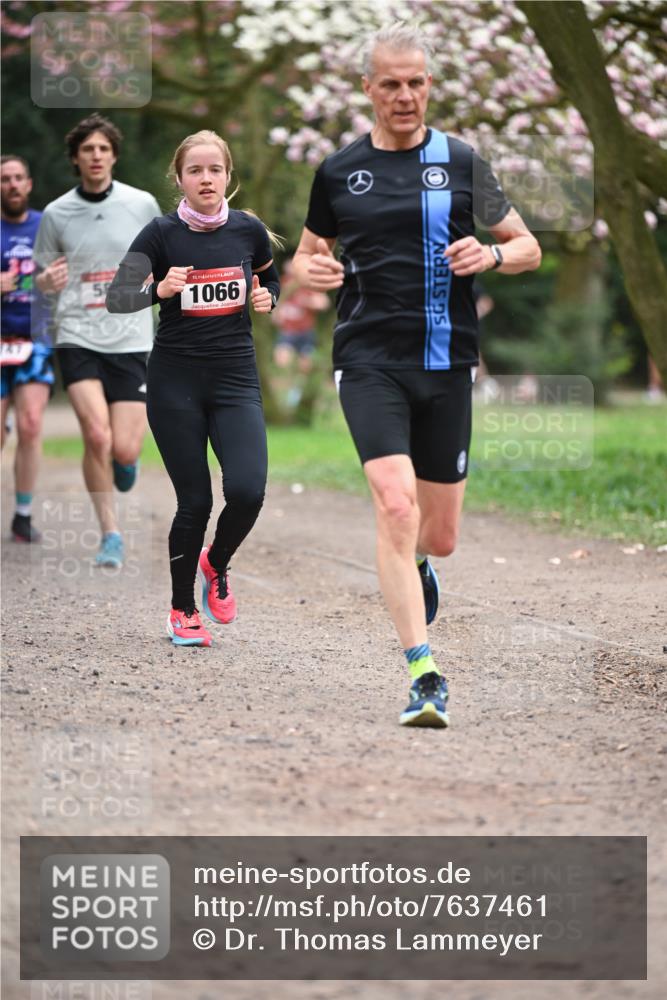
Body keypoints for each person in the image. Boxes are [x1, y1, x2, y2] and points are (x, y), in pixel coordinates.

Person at [293, 23, 541, 728]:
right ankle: (423, 675)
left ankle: (422, 567)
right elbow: (308, 258)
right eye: (390, 83)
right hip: (368, 360)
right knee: (394, 506)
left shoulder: (461, 162)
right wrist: (309, 271)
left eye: (416, 83)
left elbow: (527, 246)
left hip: (446, 363)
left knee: (439, 535)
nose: (404, 95)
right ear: (367, 89)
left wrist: (491, 258)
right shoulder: (339, 170)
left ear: (428, 86)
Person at [107, 130, 280, 648]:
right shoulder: (159, 235)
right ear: (179, 179)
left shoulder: (248, 231)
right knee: (195, 501)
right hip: (174, 382)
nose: (207, 179)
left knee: (248, 490)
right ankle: (182, 610)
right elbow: (117, 298)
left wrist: (266, 296)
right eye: (196, 171)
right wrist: (157, 291)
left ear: (229, 176)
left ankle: (217, 562)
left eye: (216, 170)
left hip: (235, 379)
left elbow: (272, 278)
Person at [34, 114, 160, 568]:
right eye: (87, 149)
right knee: (96, 434)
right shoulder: (56, 213)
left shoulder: (141, 203)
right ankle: (110, 533)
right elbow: (42, 279)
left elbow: (162, 256)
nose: (96, 156)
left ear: (113, 155)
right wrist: (46, 281)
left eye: (103, 148)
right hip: (77, 334)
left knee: (124, 447)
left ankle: (125, 466)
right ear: (75, 158)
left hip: (130, 337)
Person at [1, 154, 54, 542]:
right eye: (5, 179)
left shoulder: (45, 228)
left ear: (30, 184)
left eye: (18, 178)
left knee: (32, 424)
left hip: (34, 341)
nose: (13, 185)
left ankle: (22, 515)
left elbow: (66, 276)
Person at [272, 257, 328, 403]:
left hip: (305, 331)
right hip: (287, 331)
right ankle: (283, 393)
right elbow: (274, 303)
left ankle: (297, 393)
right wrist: (276, 314)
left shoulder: (307, 284)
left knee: (305, 366)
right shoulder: (283, 282)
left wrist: (309, 302)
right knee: (282, 361)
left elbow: (323, 303)